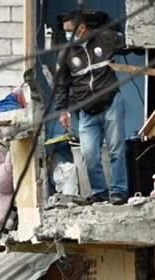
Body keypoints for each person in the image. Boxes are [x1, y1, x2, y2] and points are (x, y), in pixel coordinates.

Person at [55, 12, 128, 205]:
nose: (66, 37)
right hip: (86, 112)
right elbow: (61, 84)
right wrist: (62, 110)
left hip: (111, 103)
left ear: (81, 28)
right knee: (89, 154)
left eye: (69, 32)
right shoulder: (66, 54)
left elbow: (131, 42)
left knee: (116, 150)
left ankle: (119, 191)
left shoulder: (105, 38)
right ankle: (100, 191)